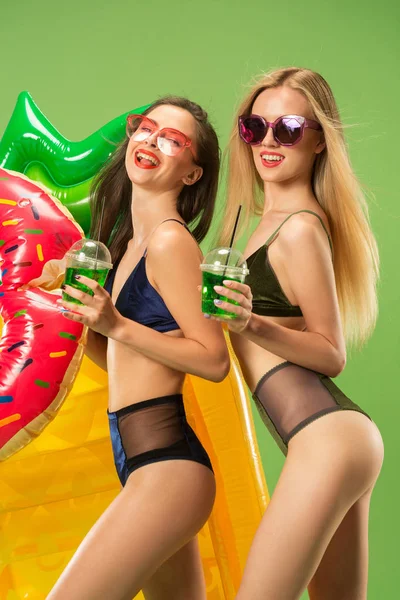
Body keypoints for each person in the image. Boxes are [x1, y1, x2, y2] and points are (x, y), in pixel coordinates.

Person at [213, 67, 384, 600]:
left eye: (286, 128)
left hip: (327, 441)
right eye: (253, 127)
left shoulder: (301, 228)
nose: (267, 141)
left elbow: (331, 353)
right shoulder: (260, 221)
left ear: (318, 141)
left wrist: (251, 323)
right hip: (335, 439)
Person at [49, 96, 230, 600]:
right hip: (140, 463)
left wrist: (117, 324)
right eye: (146, 128)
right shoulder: (128, 247)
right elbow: (121, 364)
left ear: (191, 174)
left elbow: (214, 361)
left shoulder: (172, 243)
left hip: (167, 468)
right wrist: (89, 325)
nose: (151, 140)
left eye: (173, 139)